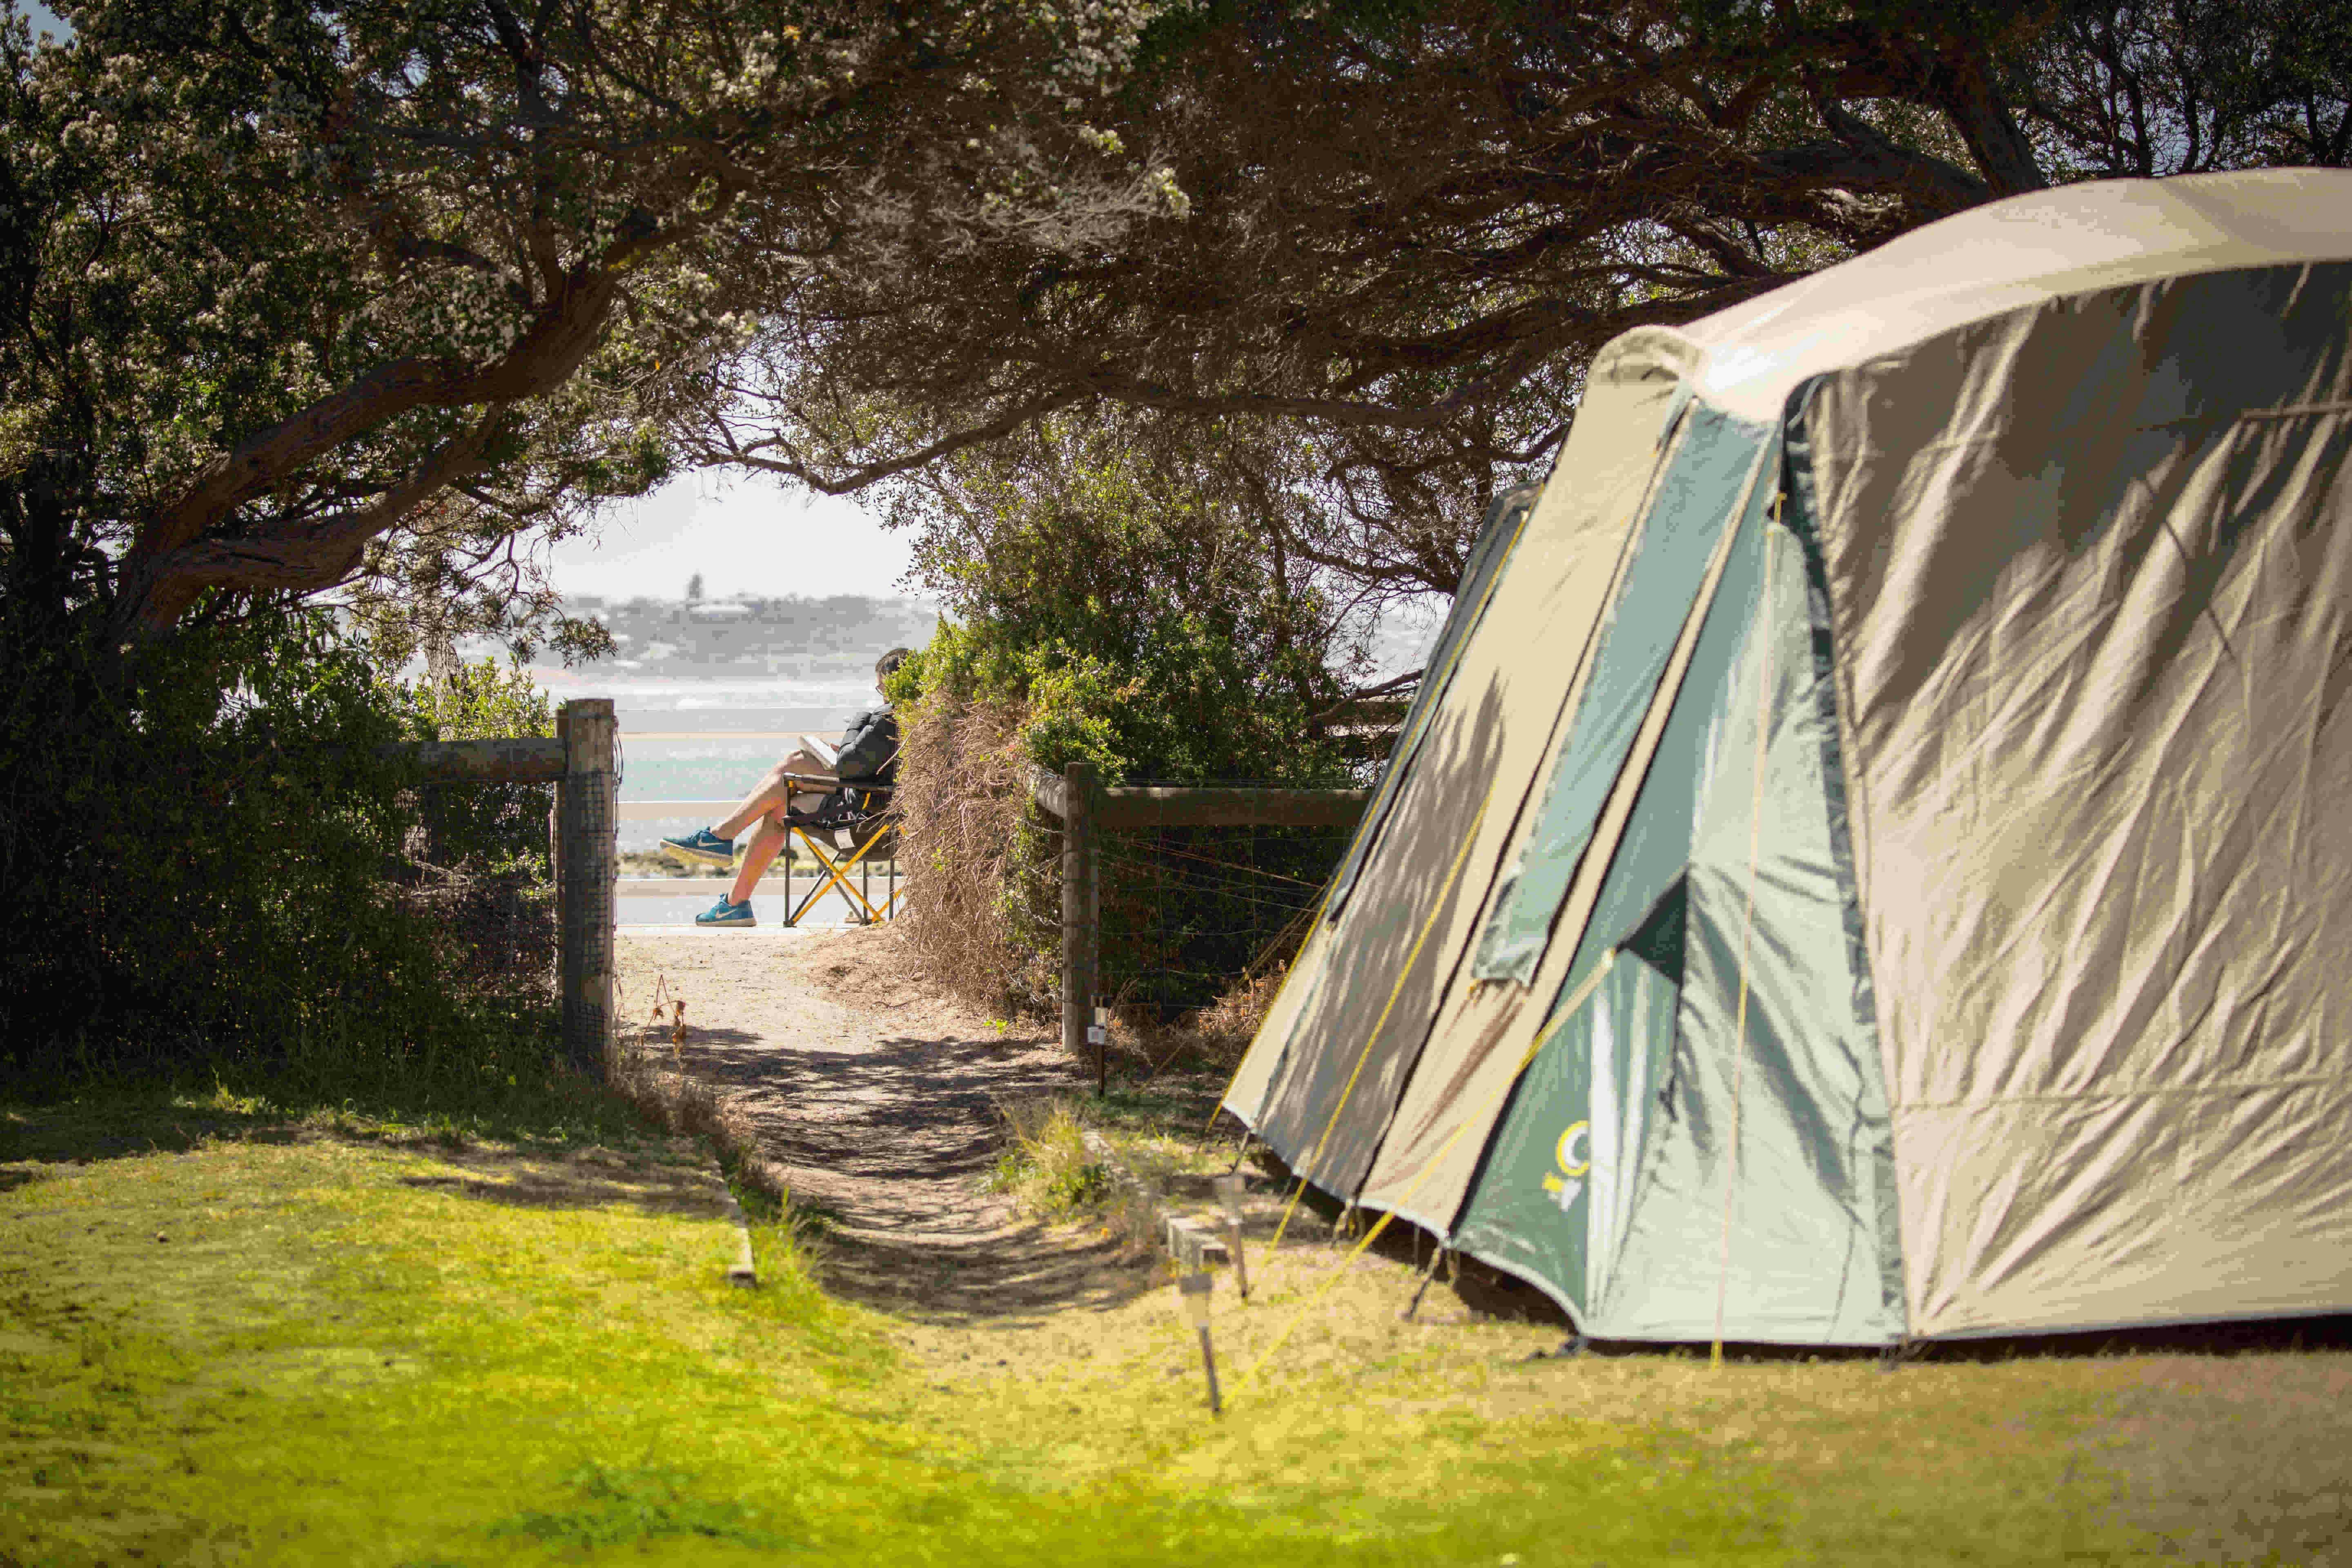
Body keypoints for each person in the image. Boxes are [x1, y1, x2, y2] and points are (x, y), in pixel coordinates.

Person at [661, 649, 911, 927]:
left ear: (893, 682)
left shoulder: (887, 718)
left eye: (881, 687)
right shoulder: (925, 717)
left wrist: (859, 721)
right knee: (795, 769)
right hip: (893, 823)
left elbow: (850, 766)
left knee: (787, 787)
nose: (882, 694)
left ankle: (727, 865)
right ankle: (726, 864)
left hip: (866, 828)